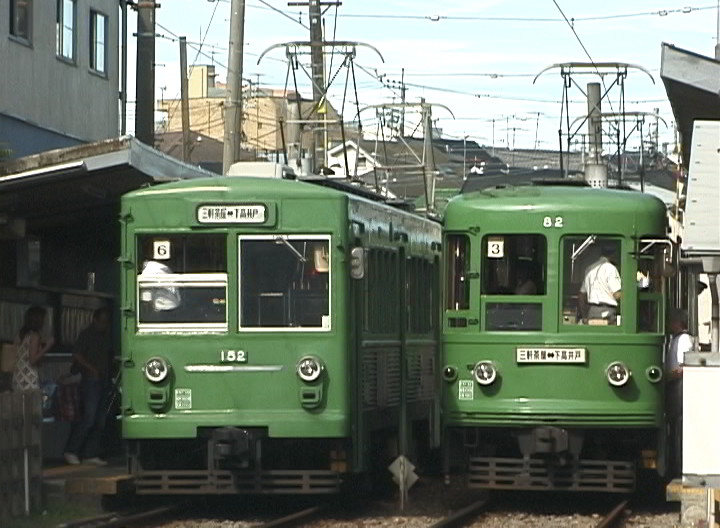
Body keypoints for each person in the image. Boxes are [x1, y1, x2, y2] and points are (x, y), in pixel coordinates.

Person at [63, 307, 113, 466]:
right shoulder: (86, 335)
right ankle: (72, 450)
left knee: (100, 420)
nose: (105, 325)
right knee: (88, 418)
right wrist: (92, 369)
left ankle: (90, 453)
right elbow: (77, 354)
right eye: (102, 321)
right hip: (90, 380)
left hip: (104, 380)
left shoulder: (106, 336)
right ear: (95, 320)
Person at [666, 308, 693, 477]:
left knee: (678, 423)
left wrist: (667, 377)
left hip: (679, 385)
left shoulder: (684, 340)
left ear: (677, 323)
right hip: (673, 385)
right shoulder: (673, 339)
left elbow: (685, 367)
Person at [12, 306, 54, 391]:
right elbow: (32, 360)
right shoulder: (34, 336)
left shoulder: (20, 335)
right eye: (43, 319)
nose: (45, 322)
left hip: (17, 377)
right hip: (29, 379)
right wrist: (47, 347)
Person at [578, 245, 622, 324]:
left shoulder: (589, 268)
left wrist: (584, 315)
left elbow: (581, 295)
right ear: (613, 255)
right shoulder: (611, 268)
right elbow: (616, 294)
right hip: (608, 313)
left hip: (591, 312)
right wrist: (630, 293)